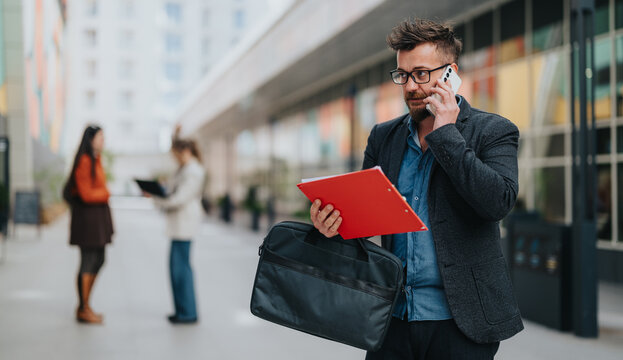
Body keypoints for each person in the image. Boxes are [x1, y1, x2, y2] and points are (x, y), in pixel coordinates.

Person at [310, 19, 523, 359]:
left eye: (421, 74)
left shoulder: (493, 131)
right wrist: (334, 226)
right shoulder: (384, 137)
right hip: (392, 320)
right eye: (402, 75)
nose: (410, 86)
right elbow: (364, 223)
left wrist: (447, 134)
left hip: (462, 324)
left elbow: (497, 202)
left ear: (450, 74)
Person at [146, 136, 205, 324]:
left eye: (175, 155)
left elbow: (179, 198)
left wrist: (156, 198)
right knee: (176, 269)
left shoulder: (194, 171)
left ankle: (188, 313)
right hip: (179, 225)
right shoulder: (184, 169)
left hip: (184, 225)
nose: (174, 159)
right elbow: (172, 191)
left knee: (181, 270)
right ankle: (182, 310)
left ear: (184, 152)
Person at [63, 125, 114, 324]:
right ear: (90, 139)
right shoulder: (85, 161)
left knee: (100, 259)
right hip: (87, 219)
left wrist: (103, 192)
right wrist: (106, 193)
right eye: (100, 137)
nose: (103, 140)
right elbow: (86, 193)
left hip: (97, 218)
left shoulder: (96, 160)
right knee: (88, 260)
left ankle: (85, 305)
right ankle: (83, 308)